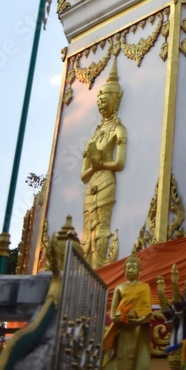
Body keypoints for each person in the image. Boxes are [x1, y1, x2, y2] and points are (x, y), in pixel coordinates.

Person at [81, 57, 127, 269]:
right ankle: (85, 268)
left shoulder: (119, 129)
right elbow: (84, 175)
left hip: (108, 182)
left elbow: (119, 163)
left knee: (102, 228)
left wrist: (101, 164)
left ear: (116, 100)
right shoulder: (93, 134)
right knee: (87, 229)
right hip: (92, 185)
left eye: (105, 98)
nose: (100, 102)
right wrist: (95, 166)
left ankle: (101, 268)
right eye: (99, 98)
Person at [102, 254, 152, 370]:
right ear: (124, 271)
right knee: (119, 354)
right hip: (121, 325)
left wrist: (139, 320)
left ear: (139, 271)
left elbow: (146, 309)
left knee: (132, 355)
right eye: (128, 267)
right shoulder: (119, 288)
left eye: (133, 267)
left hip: (136, 327)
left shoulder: (144, 287)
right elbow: (113, 310)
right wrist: (115, 318)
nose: (130, 270)